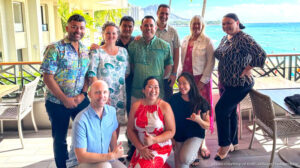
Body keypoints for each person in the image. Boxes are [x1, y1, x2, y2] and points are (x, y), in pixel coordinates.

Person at [40, 14, 90, 168]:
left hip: (80, 101)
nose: (78, 30)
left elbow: (87, 75)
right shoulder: (55, 48)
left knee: (85, 133)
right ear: (67, 28)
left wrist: (83, 95)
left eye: (81, 28)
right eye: (74, 27)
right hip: (57, 102)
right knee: (60, 138)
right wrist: (65, 99)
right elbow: (47, 77)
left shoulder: (84, 49)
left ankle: (80, 162)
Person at [214, 13, 266, 160]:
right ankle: (234, 142)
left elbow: (261, 54)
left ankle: (224, 146)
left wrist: (249, 67)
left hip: (239, 83)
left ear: (237, 22)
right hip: (225, 82)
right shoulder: (226, 38)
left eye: (229, 23)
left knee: (221, 110)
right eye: (223, 24)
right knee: (230, 112)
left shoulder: (244, 38)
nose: (226, 26)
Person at [178, 15, 215, 161]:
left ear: (203, 25)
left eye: (198, 24)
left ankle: (202, 142)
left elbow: (211, 63)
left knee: (201, 110)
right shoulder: (185, 39)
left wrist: (202, 82)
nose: (196, 26)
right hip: (187, 80)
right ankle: (191, 139)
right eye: (194, 24)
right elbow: (182, 61)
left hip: (201, 80)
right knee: (188, 108)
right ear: (190, 25)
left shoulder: (208, 41)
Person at [66, 80, 126, 168]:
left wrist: (114, 153)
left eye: (105, 92)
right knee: (105, 166)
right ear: (89, 94)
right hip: (79, 163)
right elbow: (81, 157)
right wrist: (111, 156)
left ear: (108, 94)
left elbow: (112, 132)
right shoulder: (81, 120)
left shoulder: (111, 111)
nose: (102, 96)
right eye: (97, 92)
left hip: (103, 158)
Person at [127, 76, 175, 168]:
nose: (153, 90)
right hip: (141, 146)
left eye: (156, 87)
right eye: (150, 87)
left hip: (160, 146)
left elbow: (171, 131)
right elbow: (130, 129)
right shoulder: (135, 106)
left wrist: (154, 140)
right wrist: (140, 148)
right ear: (143, 90)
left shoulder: (165, 106)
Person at [88, 21, 130, 126]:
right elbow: (92, 74)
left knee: (117, 122)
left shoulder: (123, 51)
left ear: (118, 35)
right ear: (103, 35)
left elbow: (126, 72)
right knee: (102, 122)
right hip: (101, 95)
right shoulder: (97, 52)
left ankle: (114, 143)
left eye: (114, 33)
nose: (111, 35)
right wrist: (102, 94)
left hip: (119, 94)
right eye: (108, 33)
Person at [169, 72, 210, 168]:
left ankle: (194, 153)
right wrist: (171, 138)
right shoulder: (174, 99)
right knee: (182, 164)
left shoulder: (201, 101)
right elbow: (168, 120)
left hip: (195, 135)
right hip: (179, 136)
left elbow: (207, 125)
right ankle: (191, 153)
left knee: (185, 158)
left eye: (184, 83)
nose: (181, 86)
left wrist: (198, 120)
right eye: (179, 83)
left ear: (191, 84)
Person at [128, 15, 173, 103]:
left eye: (151, 25)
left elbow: (168, 65)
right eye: (146, 25)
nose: (148, 28)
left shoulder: (164, 46)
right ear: (141, 27)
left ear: (155, 28)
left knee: (155, 116)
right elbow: (132, 65)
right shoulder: (133, 45)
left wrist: (159, 76)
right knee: (137, 116)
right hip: (138, 91)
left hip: (156, 93)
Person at [156, 4, 180, 101]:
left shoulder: (173, 31)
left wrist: (174, 73)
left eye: (167, 14)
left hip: (168, 76)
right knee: (154, 102)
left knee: (168, 102)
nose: (164, 16)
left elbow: (177, 53)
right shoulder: (151, 29)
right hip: (153, 74)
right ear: (157, 13)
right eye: (162, 13)